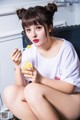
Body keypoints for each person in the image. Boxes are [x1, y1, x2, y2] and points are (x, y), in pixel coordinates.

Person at [3, 2, 80, 120]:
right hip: (44, 102)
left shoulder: (65, 48)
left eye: (38, 28)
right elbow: (21, 87)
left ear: (49, 27)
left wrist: (41, 79)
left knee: (32, 89)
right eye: (28, 30)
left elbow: (69, 88)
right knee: (10, 92)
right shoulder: (29, 51)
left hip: (72, 101)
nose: (33, 34)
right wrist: (17, 66)